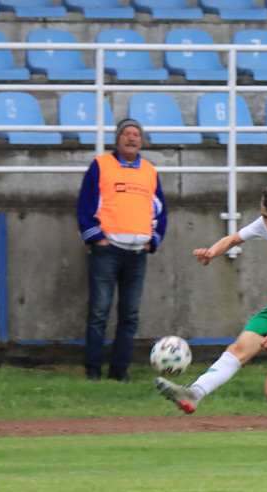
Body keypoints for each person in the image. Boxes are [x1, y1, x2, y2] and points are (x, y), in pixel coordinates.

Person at [154, 186, 267, 448]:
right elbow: (234, 238)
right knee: (239, 347)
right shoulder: (265, 223)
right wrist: (211, 253)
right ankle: (195, 392)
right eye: (266, 217)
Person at [77, 119, 167, 382]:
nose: (131, 138)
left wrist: (153, 239)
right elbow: (85, 205)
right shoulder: (101, 165)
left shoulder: (150, 171)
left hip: (137, 254)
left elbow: (160, 210)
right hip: (107, 251)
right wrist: (98, 238)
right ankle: (93, 371)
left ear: (141, 140)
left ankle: (120, 372)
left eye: (136, 134)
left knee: (129, 315)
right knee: (99, 312)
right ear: (117, 139)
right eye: (126, 134)